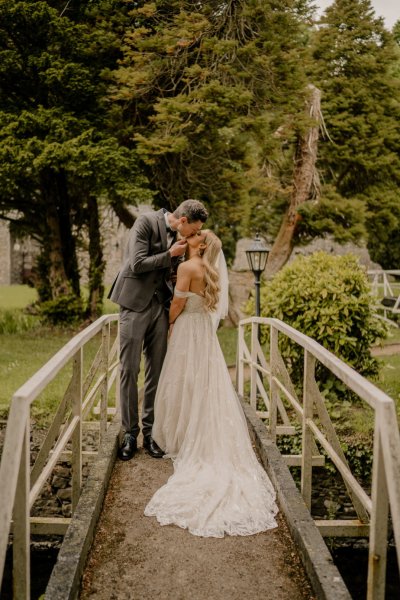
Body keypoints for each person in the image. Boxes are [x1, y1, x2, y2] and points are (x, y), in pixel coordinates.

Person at [144, 231, 278, 537]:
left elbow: (177, 304)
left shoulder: (190, 268)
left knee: (181, 380)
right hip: (204, 330)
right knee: (203, 381)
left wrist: (170, 324)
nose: (190, 236)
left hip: (188, 327)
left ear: (201, 245)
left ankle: (179, 435)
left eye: (196, 236)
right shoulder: (211, 270)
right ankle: (191, 427)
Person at [108, 199, 208, 461]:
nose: (192, 236)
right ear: (183, 220)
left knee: (158, 370)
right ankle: (130, 433)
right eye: (192, 230)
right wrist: (170, 256)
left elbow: (171, 271)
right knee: (129, 369)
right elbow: (136, 264)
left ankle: (150, 433)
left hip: (160, 306)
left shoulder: (180, 237)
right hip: (134, 304)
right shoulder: (144, 222)